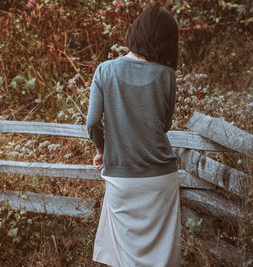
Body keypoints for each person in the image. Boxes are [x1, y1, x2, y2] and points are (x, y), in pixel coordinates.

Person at [86, 5, 180, 267]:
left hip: (122, 178)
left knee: (123, 257)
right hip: (161, 178)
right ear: (165, 42)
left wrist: (102, 149)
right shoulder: (167, 75)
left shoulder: (104, 71)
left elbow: (93, 122)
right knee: (162, 258)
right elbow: (164, 125)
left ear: (135, 32)